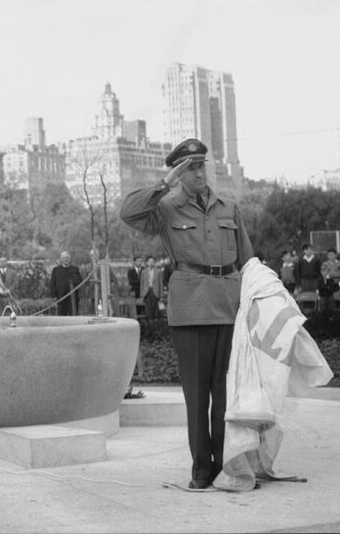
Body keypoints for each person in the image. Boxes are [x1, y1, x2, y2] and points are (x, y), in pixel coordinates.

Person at [120, 138, 253, 490]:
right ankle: (201, 468)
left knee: (225, 394)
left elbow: (248, 261)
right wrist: (166, 182)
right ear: (179, 172)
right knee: (197, 395)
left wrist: (254, 304)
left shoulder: (229, 207)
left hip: (229, 305)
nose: (197, 172)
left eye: (200, 165)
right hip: (191, 307)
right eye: (189, 167)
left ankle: (226, 463)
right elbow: (128, 212)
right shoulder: (166, 208)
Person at [49, 251, 82, 316]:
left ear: (69, 259)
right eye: (64, 258)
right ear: (61, 259)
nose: (65, 259)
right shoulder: (56, 270)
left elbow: (79, 280)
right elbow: (52, 283)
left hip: (73, 297)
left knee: (73, 315)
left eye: (67, 258)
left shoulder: (75, 269)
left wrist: (72, 282)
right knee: (61, 316)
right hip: (61, 297)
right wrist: (54, 296)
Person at [140, 256, 165, 321]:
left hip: (155, 292)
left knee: (156, 311)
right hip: (147, 292)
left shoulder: (158, 271)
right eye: (149, 261)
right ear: (147, 263)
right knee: (148, 311)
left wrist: (161, 296)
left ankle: (155, 325)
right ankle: (149, 325)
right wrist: (142, 295)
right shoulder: (143, 272)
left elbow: (161, 284)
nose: (151, 263)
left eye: (152, 261)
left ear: (154, 263)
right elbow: (142, 284)